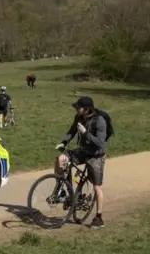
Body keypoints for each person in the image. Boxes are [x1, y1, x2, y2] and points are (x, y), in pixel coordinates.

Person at [55, 96, 107, 229]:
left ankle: (99, 218)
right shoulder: (78, 117)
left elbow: (100, 142)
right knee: (61, 158)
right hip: (82, 151)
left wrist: (85, 133)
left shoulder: (99, 120)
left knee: (97, 187)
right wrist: (63, 142)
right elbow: (72, 131)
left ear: (87, 109)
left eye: (79, 107)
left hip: (96, 156)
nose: (76, 109)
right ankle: (62, 189)